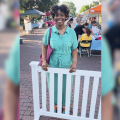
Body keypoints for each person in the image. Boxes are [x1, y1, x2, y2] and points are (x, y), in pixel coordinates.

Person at [42, 4, 78, 114]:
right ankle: (55, 104)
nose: (59, 18)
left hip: (67, 65)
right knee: (53, 86)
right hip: (52, 65)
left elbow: (74, 49)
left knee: (66, 87)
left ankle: (64, 105)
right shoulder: (49, 31)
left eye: (61, 15)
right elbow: (44, 46)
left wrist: (74, 63)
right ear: (53, 17)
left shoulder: (72, 32)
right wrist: (44, 60)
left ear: (66, 16)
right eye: (56, 15)